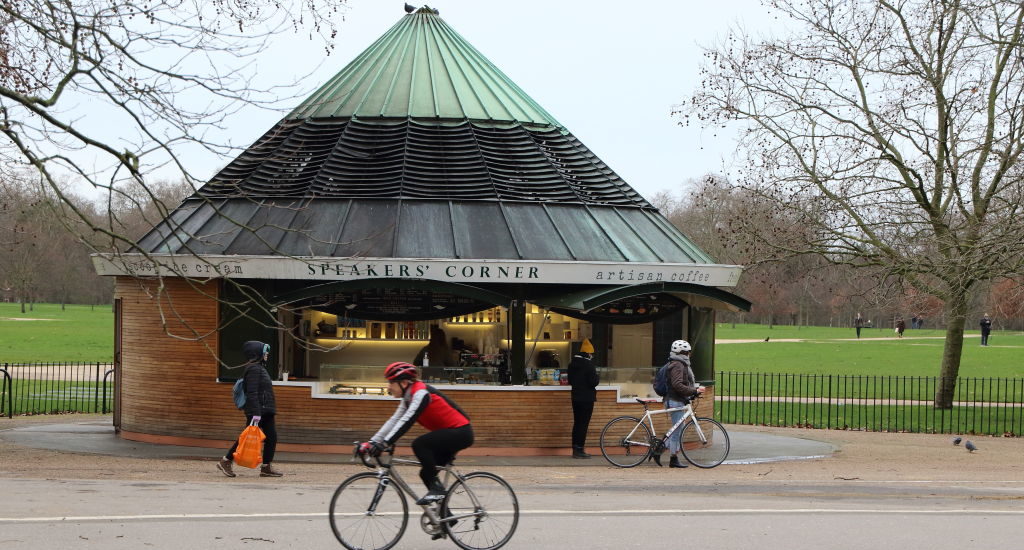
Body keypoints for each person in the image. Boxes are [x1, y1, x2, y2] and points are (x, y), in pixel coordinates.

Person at [356, 362, 473, 505]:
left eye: (391, 383)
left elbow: (406, 421)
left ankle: (437, 490)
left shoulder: (420, 393)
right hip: (450, 434)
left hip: (461, 432)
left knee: (420, 444)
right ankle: (446, 520)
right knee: (426, 474)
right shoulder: (408, 397)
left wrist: (385, 443)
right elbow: (394, 420)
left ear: (404, 383)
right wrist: (372, 442)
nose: (388, 387)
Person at [218, 341, 283, 478]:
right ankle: (226, 461)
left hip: (266, 410)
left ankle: (266, 467)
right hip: (258, 411)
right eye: (265, 353)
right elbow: (251, 392)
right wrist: (256, 413)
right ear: (257, 354)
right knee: (247, 438)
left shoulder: (259, 368)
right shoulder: (253, 369)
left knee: (271, 437)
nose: (267, 355)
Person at [659, 340, 706, 469]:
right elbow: (678, 385)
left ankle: (660, 449)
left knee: (677, 430)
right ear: (683, 353)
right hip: (675, 400)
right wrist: (694, 390)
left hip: (677, 399)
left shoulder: (678, 363)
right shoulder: (678, 365)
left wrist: (693, 391)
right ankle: (673, 459)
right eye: (688, 352)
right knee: (677, 432)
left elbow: (681, 384)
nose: (689, 354)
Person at [567, 339, 600, 458]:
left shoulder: (572, 364)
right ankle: (580, 449)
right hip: (587, 399)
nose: (592, 356)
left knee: (577, 423)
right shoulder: (589, 365)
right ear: (588, 354)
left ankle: (575, 449)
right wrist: (597, 377)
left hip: (575, 398)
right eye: (591, 354)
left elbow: (570, 381)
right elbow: (594, 382)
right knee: (583, 424)